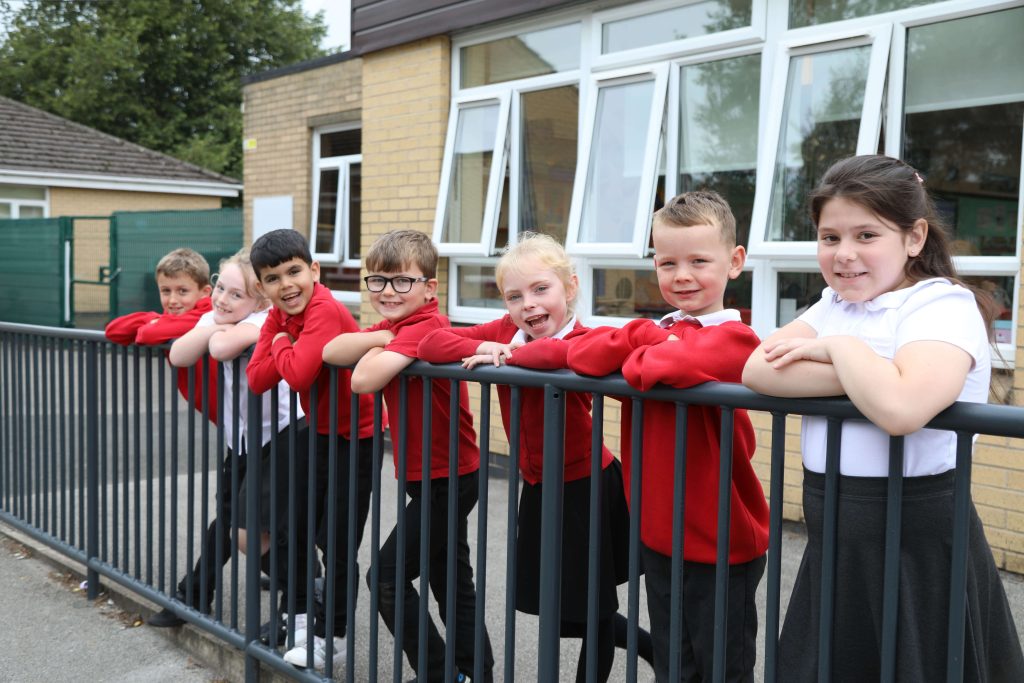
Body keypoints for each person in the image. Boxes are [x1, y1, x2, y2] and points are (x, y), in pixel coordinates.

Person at [742, 154, 1024, 681]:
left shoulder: (941, 304)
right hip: (836, 542)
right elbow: (759, 368)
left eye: (866, 235)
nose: (844, 255)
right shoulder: (832, 304)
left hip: (916, 546)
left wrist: (842, 351)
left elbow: (900, 408)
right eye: (830, 238)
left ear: (914, 237)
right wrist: (877, 371)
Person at [419, 232, 653, 682]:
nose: (528, 305)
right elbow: (431, 344)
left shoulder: (586, 337)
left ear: (570, 286)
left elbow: (558, 354)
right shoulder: (506, 335)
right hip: (541, 486)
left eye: (540, 289)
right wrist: (485, 347)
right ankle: (652, 647)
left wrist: (516, 355)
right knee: (562, 603)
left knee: (594, 609)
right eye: (514, 296)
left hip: (588, 486)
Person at [568, 191, 769, 682]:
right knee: (674, 665)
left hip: (722, 542)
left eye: (699, 260)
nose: (682, 275)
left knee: (722, 668)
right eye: (667, 262)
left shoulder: (736, 339)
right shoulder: (661, 328)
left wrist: (637, 342)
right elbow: (581, 357)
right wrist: (644, 336)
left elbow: (668, 362)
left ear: (735, 262)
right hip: (659, 536)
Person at [322, 229, 495, 683]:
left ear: (429, 288)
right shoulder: (401, 329)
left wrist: (386, 345)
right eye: (376, 281)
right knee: (451, 582)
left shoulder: (427, 328)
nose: (387, 291)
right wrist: (383, 340)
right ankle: (476, 671)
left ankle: (438, 674)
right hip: (435, 477)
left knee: (386, 580)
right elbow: (331, 350)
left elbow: (362, 380)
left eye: (402, 282)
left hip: (449, 478)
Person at [245, 229, 377, 673]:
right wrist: (284, 341)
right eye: (273, 278)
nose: (286, 285)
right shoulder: (278, 315)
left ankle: (331, 637)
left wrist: (282, 343)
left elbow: (298, 375)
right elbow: (256, 380)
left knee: (337, 543)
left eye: (294, 272)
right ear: (262, 287)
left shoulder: (322, 308)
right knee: (299, 531)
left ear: (314, 270)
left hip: (357, 437)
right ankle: (302, 622)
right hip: (318, 432)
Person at [166, 249, 310, 644]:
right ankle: (302, 588)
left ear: (262, 299)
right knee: (235, 522)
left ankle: (302, 595)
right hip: (243, 442)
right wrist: (213, 323)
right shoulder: (219, 316)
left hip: (283, 437)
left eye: (235, 295)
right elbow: (180, 355)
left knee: (258, 531)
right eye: (220, 288)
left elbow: (219, 350)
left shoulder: (266, 320)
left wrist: (214, 329)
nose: (221, 300)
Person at [104, 247, 218, 423]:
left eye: (182, 291)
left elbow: (147, 334)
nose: (172, 300)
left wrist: (154, 323)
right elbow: (113, 331)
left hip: (245, 410)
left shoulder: (205, 316)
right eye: (166, 291)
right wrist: (153, 318)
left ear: (205, 292)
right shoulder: (173, 320)